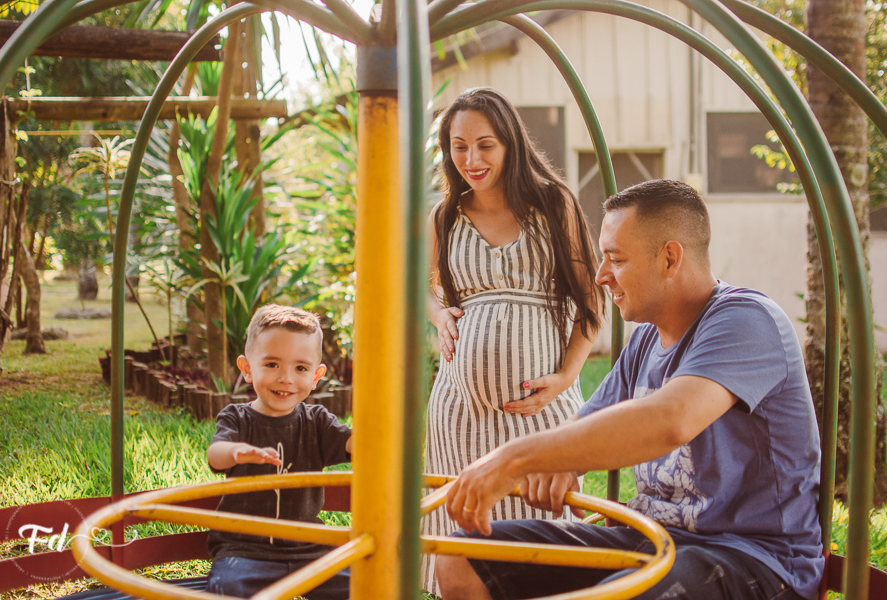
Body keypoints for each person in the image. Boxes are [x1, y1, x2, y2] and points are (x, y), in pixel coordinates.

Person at [436, 179, 824, 600]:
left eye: (616, 259)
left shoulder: (747, 320)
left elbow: (670, 420)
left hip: (755, 559)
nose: (601, 276)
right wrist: (561, 462)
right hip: (655, 540)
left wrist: (512, 458)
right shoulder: (645, 340)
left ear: (670, 258)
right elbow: (588, 426)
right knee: (462, 556)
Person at [422, 87, 605, 593]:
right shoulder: (445, 217)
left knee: (543, 542)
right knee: (465, 536)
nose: (471, 159)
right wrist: (438, 314)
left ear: (511, 143)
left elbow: (591, 299)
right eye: (459, 146)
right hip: (459, 414)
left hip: (539, 410)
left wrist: (565, 377)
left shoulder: (553, 204)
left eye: (486, 145)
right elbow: (416, 285)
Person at [205, 304, 353, 600]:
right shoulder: (237, 418)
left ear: (316, 375)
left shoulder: (317, 422)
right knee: (227, 590)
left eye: (300, 368)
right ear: (247, 368)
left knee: (365, 584)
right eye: (272, 364)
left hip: (309, 547)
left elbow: (356, 445)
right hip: (244, 549)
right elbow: (215, 455)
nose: (286, 378)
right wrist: (236, 452)